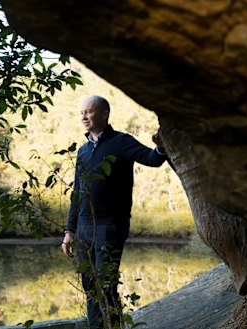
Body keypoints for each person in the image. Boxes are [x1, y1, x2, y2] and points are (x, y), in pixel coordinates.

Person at [61, 95, 168, 328]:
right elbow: (76, 194)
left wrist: (162, 144)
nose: (84, 116)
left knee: (105, 286)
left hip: (110, 226)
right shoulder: (82, 151)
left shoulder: (121, 142)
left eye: (88, 111)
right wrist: (69, 230)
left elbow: (152, 159)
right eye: (81, 113)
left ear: (104, 114)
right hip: (83, 229)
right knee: (91, 288)